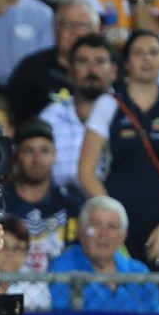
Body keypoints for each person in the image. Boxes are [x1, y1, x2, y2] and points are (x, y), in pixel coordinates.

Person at [79, 29, 159, 270]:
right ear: (127, 63)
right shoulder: (107, 105)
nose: (147, 59)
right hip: (116, 224)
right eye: (139, 53)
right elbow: (86, 171)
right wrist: (112, 224)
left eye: (153, 53)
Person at [49, 196, 159, 314]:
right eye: (96, 224)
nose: (104, 234)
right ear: (80, 230)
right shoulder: (62, 268)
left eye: (112, 226)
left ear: (124, 236)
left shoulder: (139, 272)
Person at [39, 33, 117, 195]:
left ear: (113, 71)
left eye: (100, 62)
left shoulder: (127, 117)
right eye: (83, 62)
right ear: (70, 70)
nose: (92, 70)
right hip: (58, 211)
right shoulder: (49, 118)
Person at [2, 120, 83, 273]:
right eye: (28, 151)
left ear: (55, 155)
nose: (37, 159)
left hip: (60, 286)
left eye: (44, 151)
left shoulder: (71, 204)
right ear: (16, 156)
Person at [5, 0, 101, 126]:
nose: (76, 33)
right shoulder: (31, 70)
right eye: (68, 25)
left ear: (97, 31)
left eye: (83, 26)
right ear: (55, 29)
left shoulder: (111, 68)